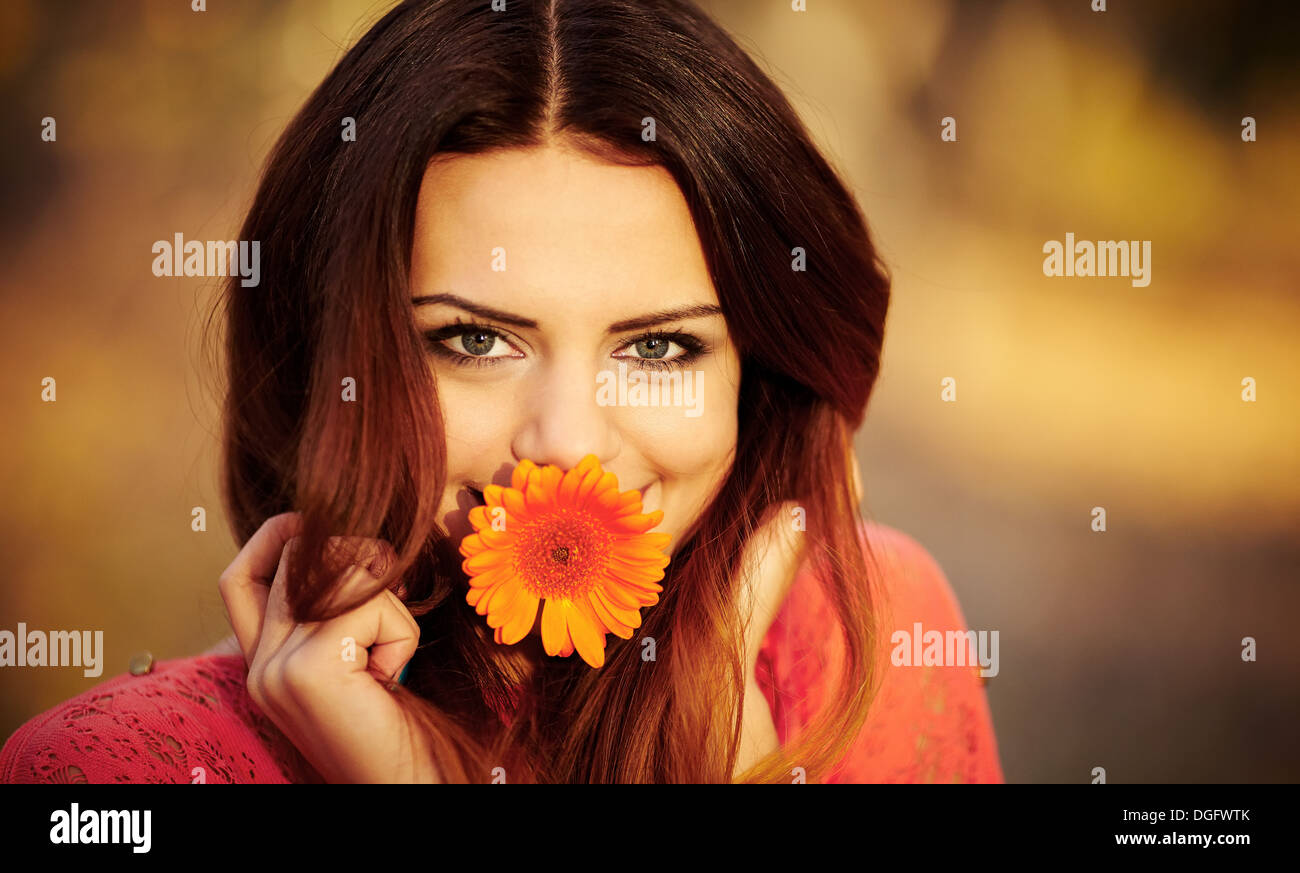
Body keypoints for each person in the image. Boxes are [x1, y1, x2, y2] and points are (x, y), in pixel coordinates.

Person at [0, 0, 1002, 784]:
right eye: (474, 339)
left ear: (762, 378)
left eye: (658, 349)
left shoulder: (865, 629)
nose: (565, 446)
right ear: (331, 365)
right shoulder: (112, 774)